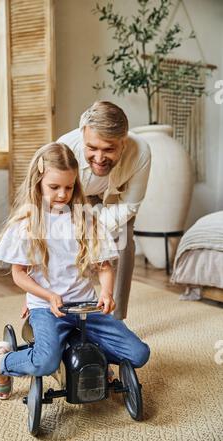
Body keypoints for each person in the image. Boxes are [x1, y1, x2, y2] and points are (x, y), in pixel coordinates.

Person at [0, 142, 150, 399]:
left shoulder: (85, 219)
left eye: (69, 186)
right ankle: (2, 361)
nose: (63, 194)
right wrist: (46, 296)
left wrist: (107, 293)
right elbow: (19, 274)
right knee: (45, 361)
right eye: (54, 187)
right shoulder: (26, 223)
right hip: (47, 307)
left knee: (139, 353)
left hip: (84, 306)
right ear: (38, 181)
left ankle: (90, 356)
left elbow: (104, 267)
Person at [57, 101, 151, 320]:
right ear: (83, 135)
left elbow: (131, 204)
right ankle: (58, 311)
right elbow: (52, 196)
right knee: (59, 242)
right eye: (92, 148)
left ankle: (115, 318)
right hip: (73, 197)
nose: (99, 158)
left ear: (123, 142)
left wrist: (96, 230)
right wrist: (75, 230)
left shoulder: (141, 151)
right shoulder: (64, 147)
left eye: (109, 149)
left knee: (124, 242)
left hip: (115, 201)